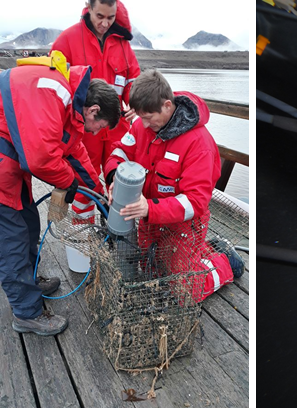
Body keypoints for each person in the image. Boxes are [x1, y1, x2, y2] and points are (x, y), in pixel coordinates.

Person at [0, 53, 121, 335]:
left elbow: (74, 152)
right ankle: (26, 313)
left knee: (29, 223)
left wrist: (99, 194)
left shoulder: (69, 102)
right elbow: (40, 159)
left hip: (10, 169)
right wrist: (69, 182)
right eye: (100, 127)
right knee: (12, 238)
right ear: (92, 111)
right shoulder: (51, 92)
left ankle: (29, 281)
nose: (95, 133)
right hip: (4, 169)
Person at [105, 69, 243, 302]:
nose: (145, 125)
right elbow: (120, 152)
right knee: (151, 269)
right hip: (150, 216)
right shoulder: (142, 125)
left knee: (184, 291)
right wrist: (113, 180)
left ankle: (226, 262)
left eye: (149, 117)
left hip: (184, 223)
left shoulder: (200, 145)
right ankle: (204, 251)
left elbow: (196, 202)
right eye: (141, 117)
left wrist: (150, 209)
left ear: (167, 105)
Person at [52, 0, 140, 222]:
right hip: (83, 128)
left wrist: (137, 105)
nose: (105, 23)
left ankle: (118, 229)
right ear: (88, 7)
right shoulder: (67, 39)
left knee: (120, 179)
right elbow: (54, 84)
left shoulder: (123, 44)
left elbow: (133, 81)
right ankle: (84, 234)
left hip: (116, 128)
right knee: (84, 182)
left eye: (110, 18)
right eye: (100, 16)